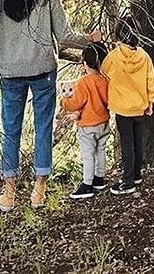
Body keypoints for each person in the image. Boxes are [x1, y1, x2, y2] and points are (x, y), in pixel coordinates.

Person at [0, 0, 100, 213]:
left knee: (11, 131)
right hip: (42, 71)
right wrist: (90, 40)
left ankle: (9, 192)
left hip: (11, 73)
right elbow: (63, 37)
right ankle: (39, 190)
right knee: (43, 128)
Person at [101, 18, 154, 195]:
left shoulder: (114, 56)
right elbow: (151, 81)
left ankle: (128, 180)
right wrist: (150, 102)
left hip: (122, 109)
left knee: (127, 143)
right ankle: (137, 174)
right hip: (140, 106)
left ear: (118, 36)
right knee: (138, 141)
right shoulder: (144, 56)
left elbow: (103, 71)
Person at [60, 42, 110, 200]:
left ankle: (87, 184)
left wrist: (63, 102)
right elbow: (109, 100)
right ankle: (99, 179)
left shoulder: (83, 82)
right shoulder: (105, 80)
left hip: (88, 126)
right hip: (104, 123)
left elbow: (76, 103)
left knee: (88, 154)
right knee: (100, 151)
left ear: (85, 63)